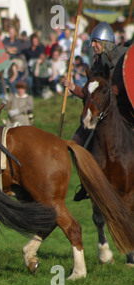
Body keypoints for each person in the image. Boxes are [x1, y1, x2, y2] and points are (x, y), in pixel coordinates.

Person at [62, 21, 128, 201]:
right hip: (101, 112)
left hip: (124, 109)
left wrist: (115, 90)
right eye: (92, 42)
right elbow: (89, 94)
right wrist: (74, 87)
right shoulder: (98, 63)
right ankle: (87, 184)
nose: (92, 45)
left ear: (106, 42)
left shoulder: (124, 55)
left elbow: (129, 77)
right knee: (76, 143)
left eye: (96, 41)